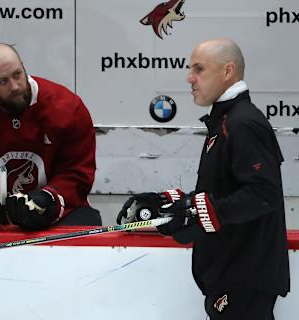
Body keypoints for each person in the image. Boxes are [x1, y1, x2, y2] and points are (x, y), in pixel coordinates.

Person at [117, 38, 290, 319]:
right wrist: (172, 203)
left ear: (227, 71)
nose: (190, 78)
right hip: (230, 274)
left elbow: (263, 194)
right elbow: (223, 190)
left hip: (244, 278)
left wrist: (197, 212)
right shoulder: (225, 121)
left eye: (199, 69)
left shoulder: (243, 122)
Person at [0, 43, 101, 230]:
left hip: (53, 212)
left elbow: (77, 172)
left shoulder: (67, 108)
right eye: (2, 81)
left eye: (17, 74)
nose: (15, 86)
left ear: (23, 67)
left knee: (86, 224)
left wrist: (50, 199)